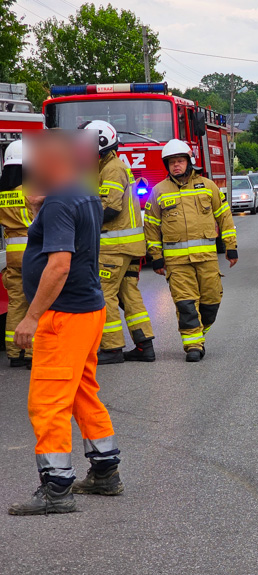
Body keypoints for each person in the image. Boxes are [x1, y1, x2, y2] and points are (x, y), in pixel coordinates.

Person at [9, 132, 123, 516]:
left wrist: (31, 316)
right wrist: (43, 207)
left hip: (63, 316)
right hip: (88, 311)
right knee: (81, 393)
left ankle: (57, 488)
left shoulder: (60, 201)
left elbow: (59, 265)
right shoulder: (83, 192)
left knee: (48, 402)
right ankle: (105, 472)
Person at [143, 139, 237, 362]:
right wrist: (156, 257)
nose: (176, 165)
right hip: (177, 263)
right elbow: (151, 226)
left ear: (189, 162)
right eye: (172, 162)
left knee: (211, 300)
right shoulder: (159, 191)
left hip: (207, 259)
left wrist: (231, 247)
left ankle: (199, 334)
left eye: (180, 161)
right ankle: (193, 345)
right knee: (185, 303)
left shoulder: (208, 186)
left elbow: (224, 217)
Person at [81, 121, 155, 365]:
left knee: (104, 294)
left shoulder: (112, 168)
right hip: (127, 246)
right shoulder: (108, 166)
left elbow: (110, 207)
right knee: (128, 293)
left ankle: (112, 348)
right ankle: (144, 345)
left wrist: (81, 223)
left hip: (114, 247)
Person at [0, 140, 34, 368]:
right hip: (35, 253)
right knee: (36, 304)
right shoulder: (35, 190)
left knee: (16, 305)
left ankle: (14, 353)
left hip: (13, 255)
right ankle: (32, 353)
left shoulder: (3, 194)